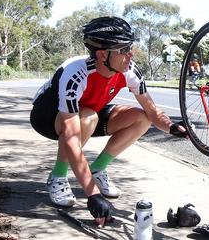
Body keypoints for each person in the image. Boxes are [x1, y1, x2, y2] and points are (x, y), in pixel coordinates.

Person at [30, 16, 188, 226]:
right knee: (87, 118)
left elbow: (151, 110)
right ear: (103, 54)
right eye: (124, 50)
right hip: (47, 116)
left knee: (141, 118)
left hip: (90, 111)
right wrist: (92, 194)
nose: (130, 54)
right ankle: (58, 176)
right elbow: (70, 136)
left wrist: (171, 127)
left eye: (130, 47)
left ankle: (97, 169)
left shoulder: (129, 70)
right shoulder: (75, 73)